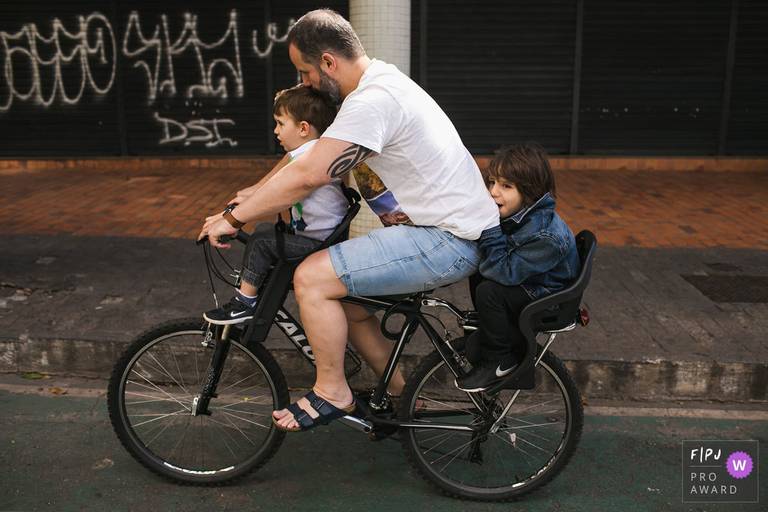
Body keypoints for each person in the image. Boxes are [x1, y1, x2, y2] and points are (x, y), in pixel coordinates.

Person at [198, 9, 499, 432]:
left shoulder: (371, 101)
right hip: (447, 231)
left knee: (312, 277)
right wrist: (253, 195)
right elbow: (306, 156)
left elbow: (309, 174)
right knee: (352, 307)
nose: (303, 84)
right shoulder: (383, 82)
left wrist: (234, 218)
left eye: (304, 72)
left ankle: (332, 391)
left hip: (446, 240)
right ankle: (401, 394)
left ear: (327, 62)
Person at [203, 85, 347, 324]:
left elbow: (271, 195)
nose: (276, 131)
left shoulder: (306, 157)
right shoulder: (310, 152)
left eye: (281, 123)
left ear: (303, 128)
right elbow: (265, 189)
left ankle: (244, 303)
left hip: (321, 245)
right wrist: (234, 209)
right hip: (323, 239)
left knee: (261, 241)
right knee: (264, 234)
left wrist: (231, 220)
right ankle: (253, 289)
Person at [455, 143, 581, 392]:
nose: (493, 192)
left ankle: (500, 360)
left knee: (489, 291)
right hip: (533, 282)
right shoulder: (521, 215)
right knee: (480, 272)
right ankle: (493, 327)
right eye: (492, 182)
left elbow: (502, 271)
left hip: (548, 296)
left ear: (530, 191)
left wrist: (489, 230)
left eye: (506, 186)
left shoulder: (546, 235)